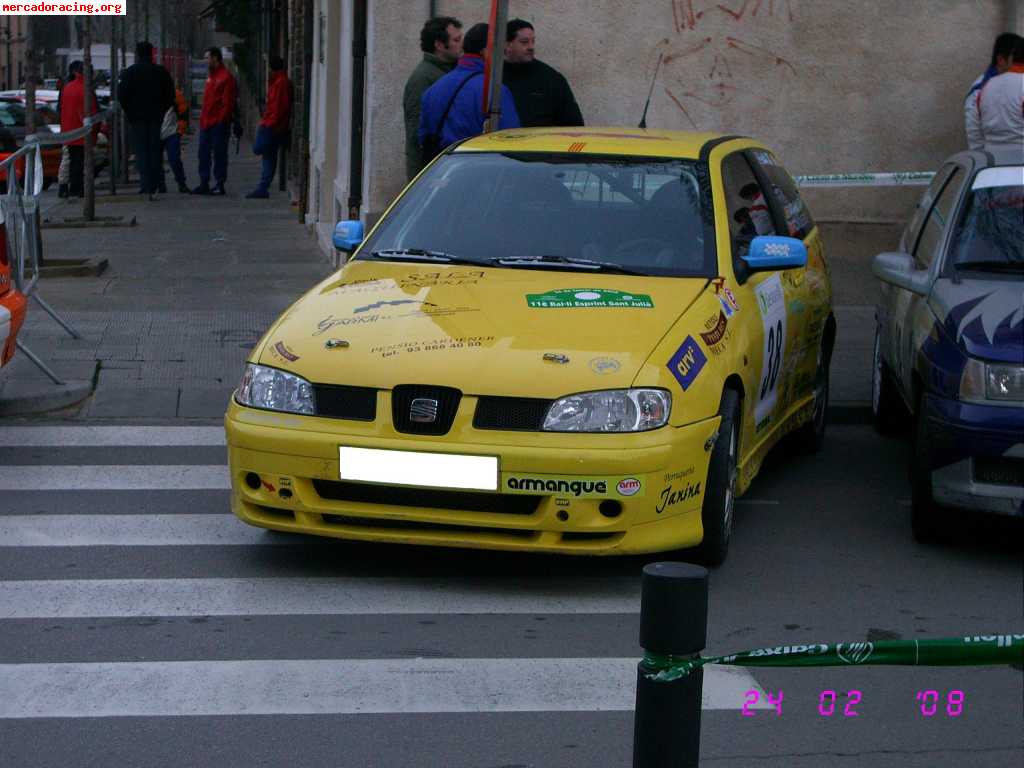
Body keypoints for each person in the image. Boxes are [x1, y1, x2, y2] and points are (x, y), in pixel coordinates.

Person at [419, 23, 519, 159]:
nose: (505, 53)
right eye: (501, 49)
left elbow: (422, 137)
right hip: (480, 171)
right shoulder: (495, 91)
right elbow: (511, 141)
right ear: (486, 51)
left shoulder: (434, 89)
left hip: (444, 171)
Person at [403, 16, 463, 180]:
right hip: (430, 172)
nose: (461, 45)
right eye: (456, 40)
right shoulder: (423, 78)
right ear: (439, 45)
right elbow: (417, 131)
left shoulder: (449, 72)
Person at [117, 41, 175, 197]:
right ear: (151, 54)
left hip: (137, 119)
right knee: (155, 150)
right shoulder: (161, 72)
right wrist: (161, 110)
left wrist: (130, 111)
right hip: (156, 117)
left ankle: (146, 184)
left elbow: (121, 95)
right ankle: (157, 183)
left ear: (137, 54)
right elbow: (170, 95)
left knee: (142, 152)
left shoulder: (130, 73)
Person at [502, 19, 583, 128]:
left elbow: (574, 124)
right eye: (524, 42)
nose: (531, 47)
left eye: (533, 41)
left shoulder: (551, 78)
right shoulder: (492, 77)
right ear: (507, 44)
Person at [246, 56, 293, 199]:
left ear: (272, 69)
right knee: (269, 155)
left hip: (272, 126)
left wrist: (269, 123)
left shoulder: (280, 83)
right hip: (272, 124)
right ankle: (263, 187)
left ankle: (263, 186)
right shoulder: (278, 82)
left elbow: (279, 108)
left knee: (260, 149)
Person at [193, 47, 237, 196]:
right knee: (203, 153)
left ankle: (219, 183)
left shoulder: (225, 77)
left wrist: (221, 120)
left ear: (215, 58)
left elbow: (227, 103)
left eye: (207, 58)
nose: (206, 61)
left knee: (219, 153)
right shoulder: (211, 76)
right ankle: (204, 182)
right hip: (206, 122)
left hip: (217, 123)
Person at [965, 33, 1021, 151]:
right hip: (993, 160)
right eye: (1015, 58)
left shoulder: (988, 85)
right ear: (1001, 59)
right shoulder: (979, 89)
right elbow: (974, 135)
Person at [58, 60, 98, 198]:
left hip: (68, 131)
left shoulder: (68, 87)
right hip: (82, 132)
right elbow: (92, 112)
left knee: (71, 160)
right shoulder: (86, 89)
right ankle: (77, 189)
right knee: (80, 163)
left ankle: (68, 187)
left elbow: (62, 108)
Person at [160, 84, 190, 193]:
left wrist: (180, 130)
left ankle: (181, 183)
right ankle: (161, 185)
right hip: (158, 133)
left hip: (172, 133)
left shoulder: (175, 94)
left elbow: (183, 113)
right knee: (157, 161)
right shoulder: (150, 93)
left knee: (175, 160)